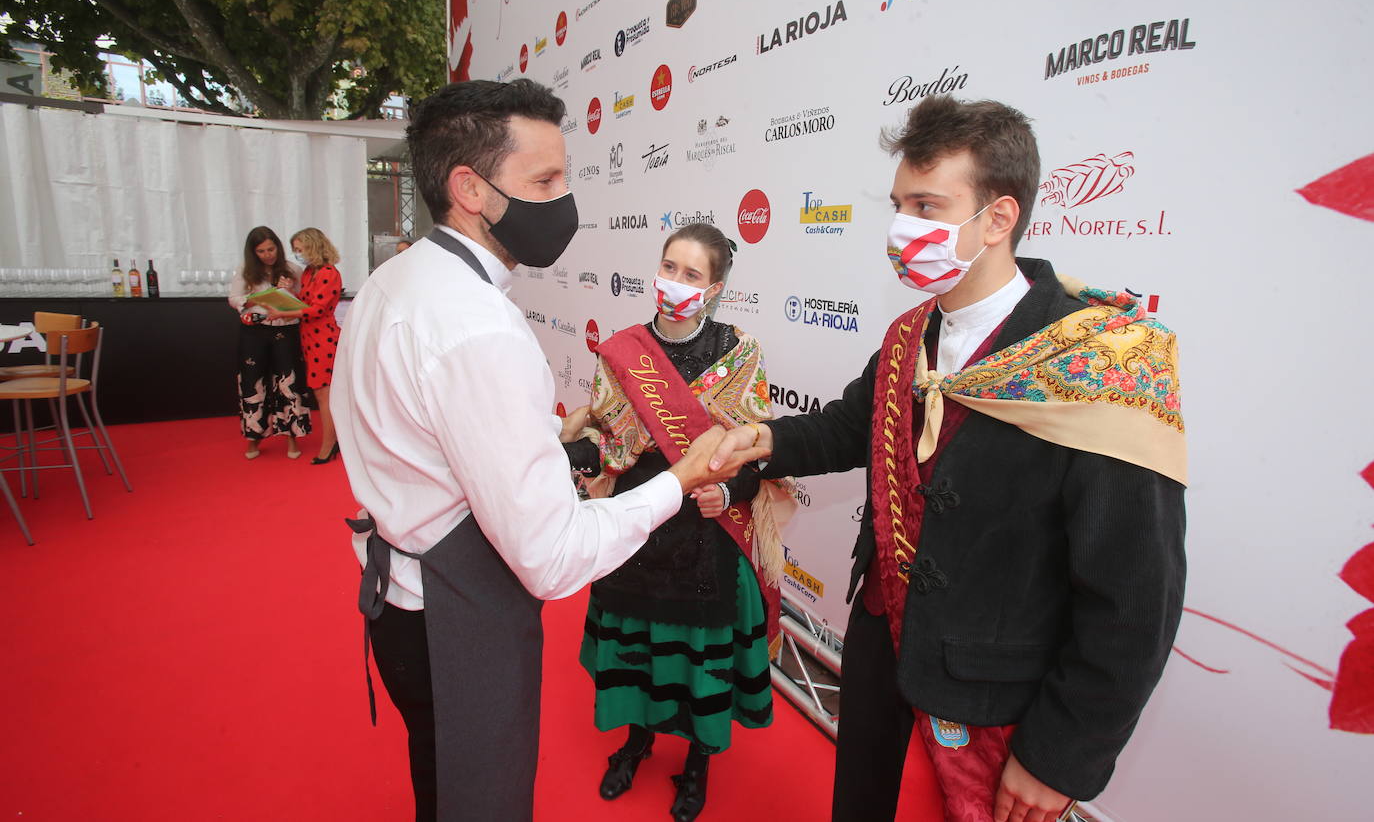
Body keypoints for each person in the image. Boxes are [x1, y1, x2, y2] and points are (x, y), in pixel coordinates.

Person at [704, 95, 1187, 822]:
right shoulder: (909, 334)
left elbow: (1135, 597)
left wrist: (1060, 754)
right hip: (881, 650)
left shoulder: (1103, 364)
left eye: (927, 205)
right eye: (899, 205)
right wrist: (764, 440)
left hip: (994, 699)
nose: (902, 229)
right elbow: (852, 426)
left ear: (998, 218)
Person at [330, 78, 763, 822]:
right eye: (544, 181)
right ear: (470, 187)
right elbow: (553, 556)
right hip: (454, 621)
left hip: (398, 602)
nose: (564, 202)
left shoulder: (390, 282)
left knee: (440, 782)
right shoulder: (480, 329)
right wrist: (679, 478)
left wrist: (544, 447)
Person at [563, 223, 793, 822]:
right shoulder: (624, 351)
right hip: (637, 524)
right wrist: (577, 449)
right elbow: (605, 438)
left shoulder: (740, 354)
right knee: (635, 648)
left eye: (691, 275)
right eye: (669, 268)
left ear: (715, 287)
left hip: (704, 537)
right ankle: (636, 741)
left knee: (697, 657)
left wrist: (728, 487)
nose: (675, 283)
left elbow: (756, 458)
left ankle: (697, 763)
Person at [228, 225, 310, 460]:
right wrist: (254, 299)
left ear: (278, 246)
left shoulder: (293, 269)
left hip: (286, 330)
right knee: (252, 383)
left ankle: (292, 437)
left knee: (289, 382)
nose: (268, 254)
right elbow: (233, 299)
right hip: (254, 331)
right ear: (253, 253)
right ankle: (253, 438)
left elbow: (304, 302)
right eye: (262, 251)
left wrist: (288, 293)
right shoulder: (245, 270)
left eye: (271, 249)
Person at [287, 227, 344, 464]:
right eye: (295, 250)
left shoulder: (329, 272)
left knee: (324, 395)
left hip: (324, 338)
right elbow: (305, 302)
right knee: (321, 393)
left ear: (313, 246)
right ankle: (334, 440)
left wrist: (285, 310)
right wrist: (286, 294)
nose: (298, 254)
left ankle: (330, 443)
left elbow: (317, 309)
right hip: (309, 337)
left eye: (300, 249)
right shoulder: (309, 272)